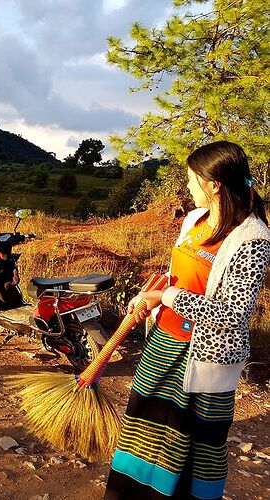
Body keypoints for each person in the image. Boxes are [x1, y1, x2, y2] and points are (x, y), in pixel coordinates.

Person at [105, 141, 270, 499]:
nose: (188, 187)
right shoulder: (195, 220)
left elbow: (233, 313)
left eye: (193, 179)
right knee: (143, 432)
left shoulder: (253, 239)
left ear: (215, 185)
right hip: (162, 347)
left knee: (195, 448)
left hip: (204, 361)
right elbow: (177, 275)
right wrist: (153, 295)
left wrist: (167, 298)